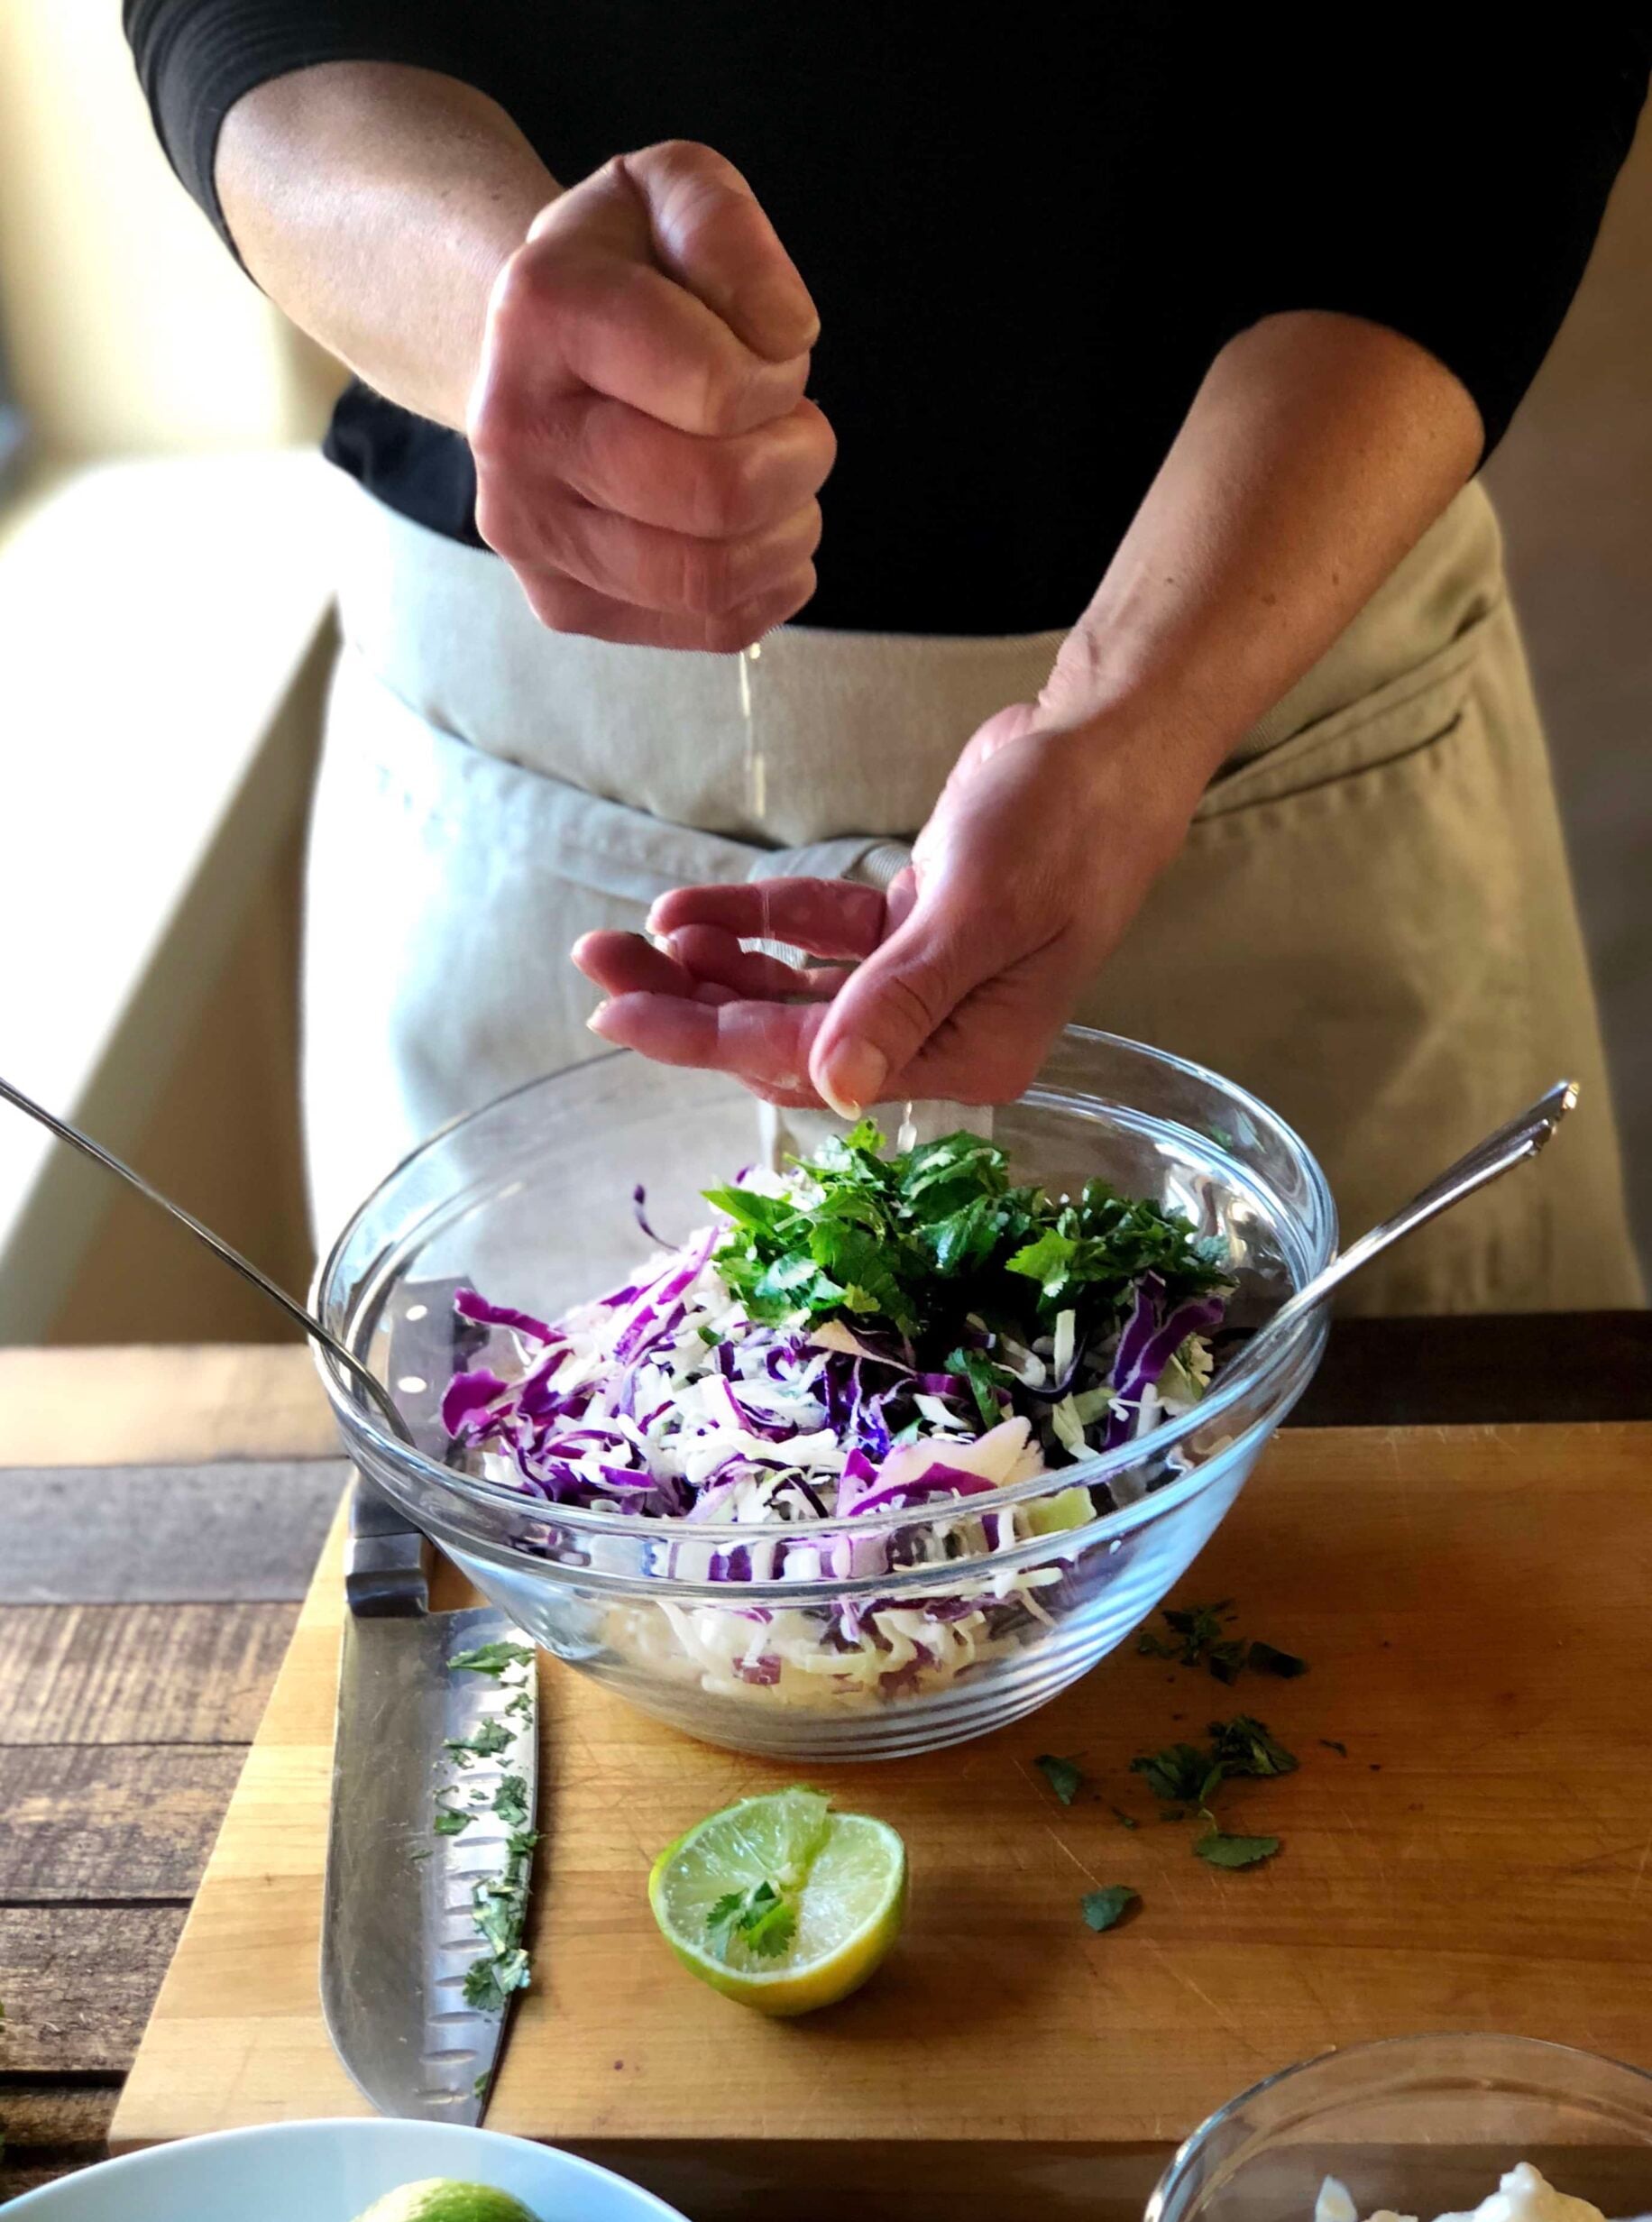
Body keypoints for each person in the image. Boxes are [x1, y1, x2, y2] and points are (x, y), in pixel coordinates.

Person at [126, 6, 1648, 1311]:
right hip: (533, 789)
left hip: (1275, 722)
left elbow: (1499, 84)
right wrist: (514, 315)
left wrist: (1135, 719)